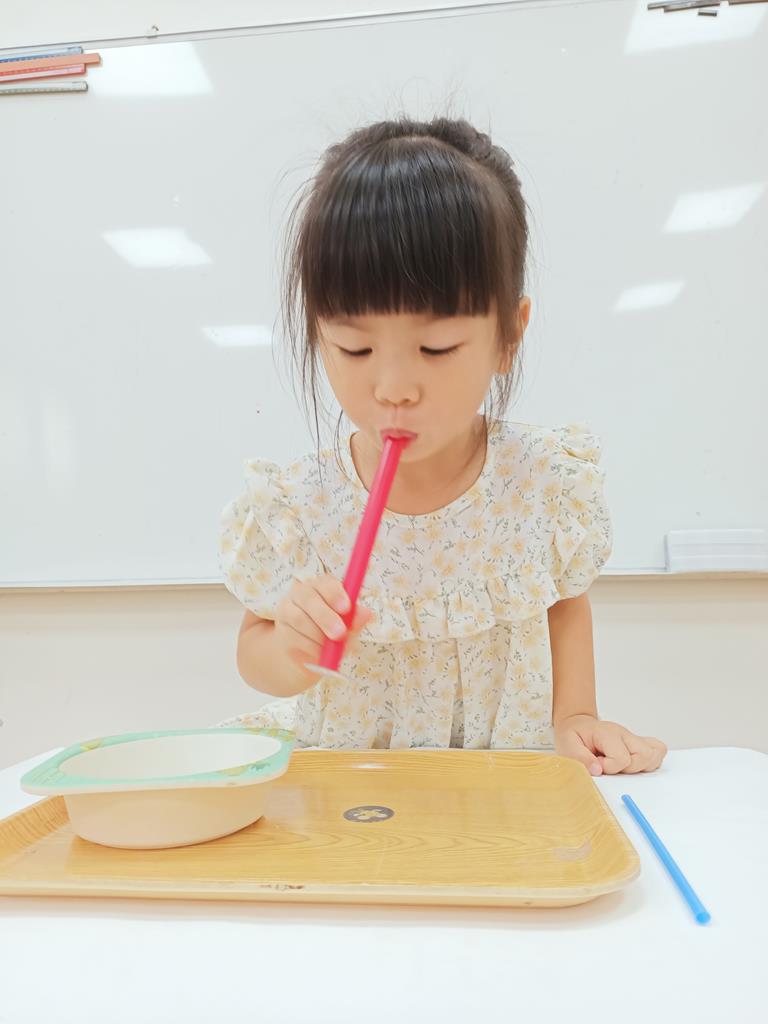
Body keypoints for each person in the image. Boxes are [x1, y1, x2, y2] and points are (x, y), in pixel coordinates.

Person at [218, 115, 667, 775]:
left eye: (436, 347)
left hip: (494, 790)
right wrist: (289, 645)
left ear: (508, 336)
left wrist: (575, 715)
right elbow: (253, 650)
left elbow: (564, 605)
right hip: (347, 791)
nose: (395, 388)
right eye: (354, 348)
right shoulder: (298, 508)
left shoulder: (543, 484)